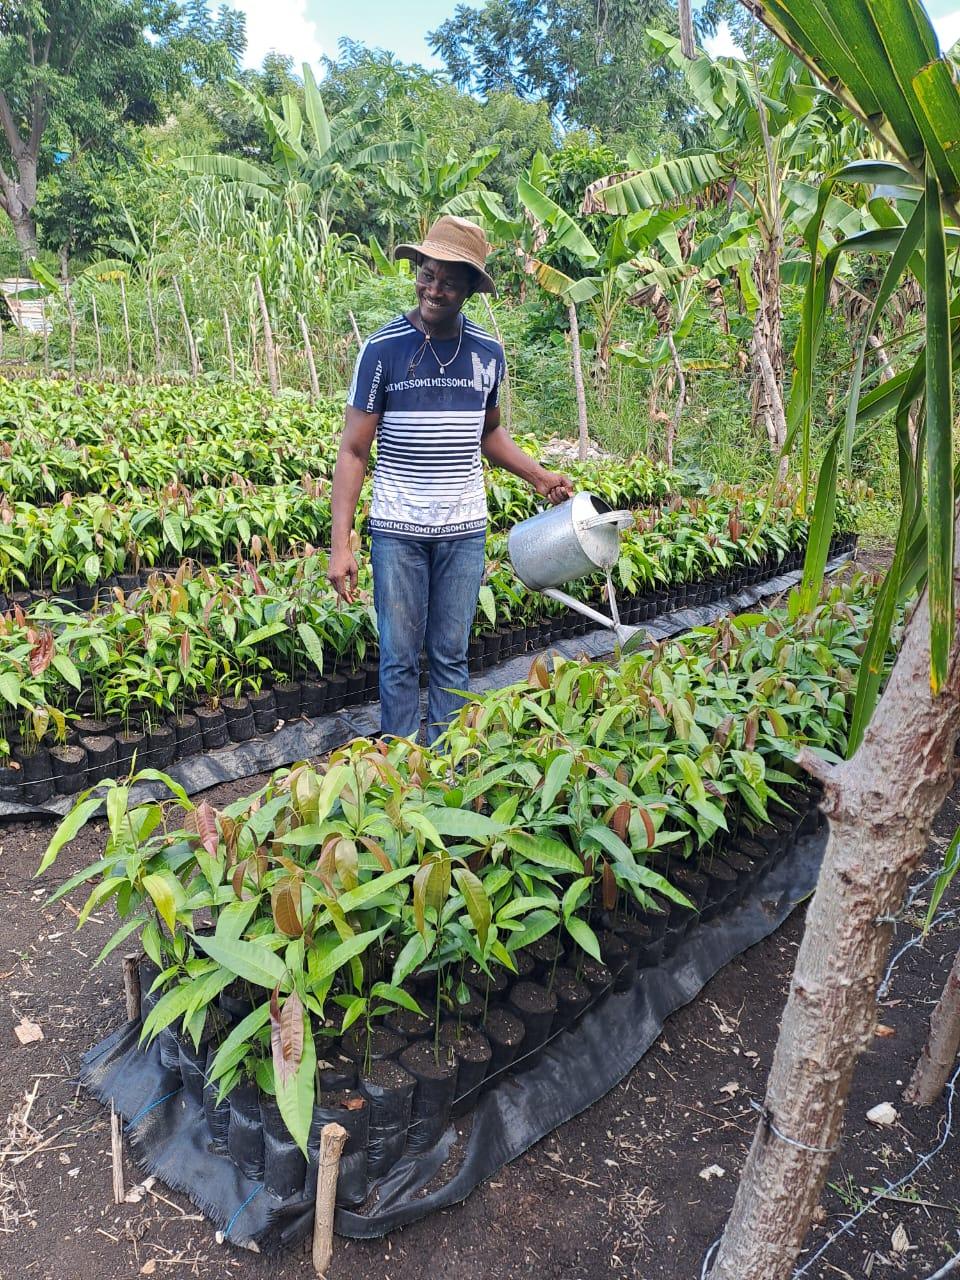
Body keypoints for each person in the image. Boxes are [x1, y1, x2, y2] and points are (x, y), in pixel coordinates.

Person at [328, 214, 572, 743]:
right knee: (396, 658)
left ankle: (443, 769)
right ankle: (398, 767)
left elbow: (489, 434)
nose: (434, 289)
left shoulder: (487, 353)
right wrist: (340, 542)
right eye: (428, 274)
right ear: (417, 272)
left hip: (463, 530)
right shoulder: (381, 351)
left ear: (468, 289)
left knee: (450, 657)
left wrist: (539, 475)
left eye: (449, 280)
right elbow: (352, 450)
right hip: (398, 529)